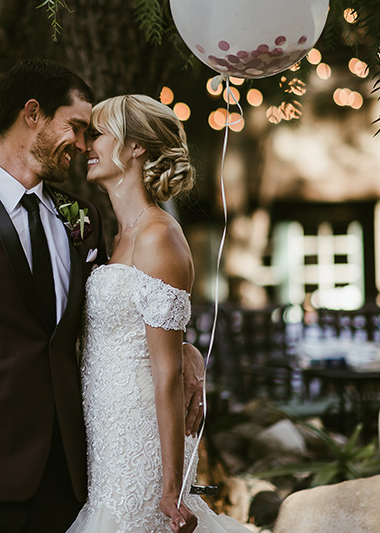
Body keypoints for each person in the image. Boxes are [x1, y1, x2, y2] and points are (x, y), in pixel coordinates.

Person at [0, 60, 206, 533]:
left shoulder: (86, 220)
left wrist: (184, 348)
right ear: (32, 113)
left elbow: (126, 312)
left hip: (75, 478)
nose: (81, 146)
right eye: (76, 127)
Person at [66, 94, 251, 533]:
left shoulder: (159, 237)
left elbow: (166, 374)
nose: (86, 146)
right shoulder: (116, 237)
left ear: (136, 147)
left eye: (99, 134)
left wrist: (172, 486)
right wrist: (189, 347)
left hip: (142, 437)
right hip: (108, 436)